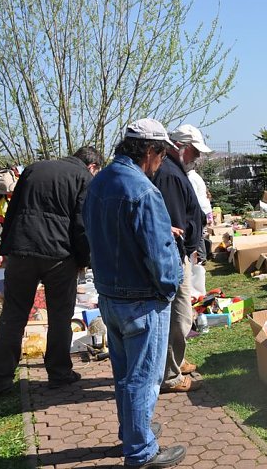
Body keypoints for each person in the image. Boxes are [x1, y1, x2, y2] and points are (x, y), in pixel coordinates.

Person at [83, 119, 186, 468]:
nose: (161, 162)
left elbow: (100, 232)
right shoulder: (143, 189)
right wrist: (170, 287)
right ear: (149, 151)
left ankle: (133, 431)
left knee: (125, 373)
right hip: (142, 299)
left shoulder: (100, 181)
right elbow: (158, 254)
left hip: (110, 296)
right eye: (161, 154)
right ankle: (141, 451)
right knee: (143, 377)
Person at [0, 146, 101, 397]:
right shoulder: (84, 178)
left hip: (22, 250)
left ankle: (1, 380)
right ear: (92, 166)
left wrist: (8, 247)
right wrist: (85, 259)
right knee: (60, 316)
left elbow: (13, 210)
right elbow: (82, 225)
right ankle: (59, 374)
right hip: (59, 256)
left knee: (13, 315)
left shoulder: (34, 169)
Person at [152, 124, 210, 394]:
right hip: (175, 256)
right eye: (195, 152)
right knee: (179, 315)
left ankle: (175, 361)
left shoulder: (174, 170)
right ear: (183, 148)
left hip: (181, 253)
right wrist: (186, 249)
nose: (197, 157)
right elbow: (175, 222)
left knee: (181, 314)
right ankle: (170, 374)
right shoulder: (170, 175)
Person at [177, 125, 213, 264]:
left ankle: (201, 258)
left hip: (201, 210)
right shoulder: (191, 176)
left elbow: (194, 197)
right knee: (201, 236)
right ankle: (201, 257)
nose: (198, 156)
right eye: (195, 151)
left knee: (200, 237)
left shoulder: (191, 177)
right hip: (204, 209)